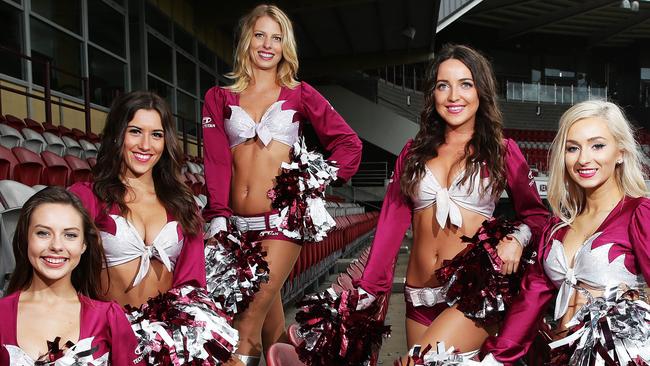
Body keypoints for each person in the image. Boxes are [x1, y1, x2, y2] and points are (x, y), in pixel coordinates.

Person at [355, 44, 548, 359]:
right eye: (443, 85)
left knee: (413, 364)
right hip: (418, 295)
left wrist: (517, 238)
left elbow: (537, 217)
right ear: (433, 94)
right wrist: (368, 287)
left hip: (471, 294)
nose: (453, 96)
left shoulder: (502, 151)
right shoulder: (412, 152)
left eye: (465, 84)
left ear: (481, 91)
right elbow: (390, 224)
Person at [201, 4, 362, 364]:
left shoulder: (299, 93)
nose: (267, 44)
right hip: (238, 232)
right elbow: (215, 161)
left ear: (285, 46)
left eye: (277, 37)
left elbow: (349, 144)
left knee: (243, 328)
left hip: (282, 226)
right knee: (268, 333)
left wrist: (313, 179)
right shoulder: (218, 97)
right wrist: (218, 215)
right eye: (259, 35)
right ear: (246, 41)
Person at [481, 100, 650, 365]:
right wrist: (496, 358)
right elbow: (531, 299)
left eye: (597, 145)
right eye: (573, 148)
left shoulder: (639, 214)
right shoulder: (557, 227)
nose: (584, 159)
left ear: (621, 152)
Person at [69, 90, 205, 308]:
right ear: (117, 134)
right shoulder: (86, 197)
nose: (145, 145)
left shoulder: (183, 204)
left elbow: (193, 279)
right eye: (135, 131)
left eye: (156, 135)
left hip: (166, 333)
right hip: (106, 332)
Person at [0, 187, 142, 365]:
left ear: (83, 245)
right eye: (43, 233)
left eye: (70, 235)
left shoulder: (109, 318)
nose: (57, 245)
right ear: (25, 238)